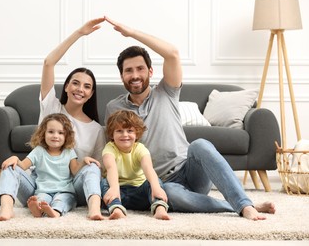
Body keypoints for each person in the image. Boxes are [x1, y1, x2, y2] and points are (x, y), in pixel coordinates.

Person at [104, 16, 276, 221]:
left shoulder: (166, 92)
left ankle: (244, 205)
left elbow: (173, 54)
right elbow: (112, 151)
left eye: (140, 68)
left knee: (201, 144)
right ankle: (240, 206)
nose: (135, 75)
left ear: (150, 71)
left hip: (189, 170)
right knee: (171, 194)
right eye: (128, 71)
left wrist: (132, 32)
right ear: (121, 76)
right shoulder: (114, 107)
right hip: (159, 183)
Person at [0, 17, 107, 221]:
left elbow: (98, 170)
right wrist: (79, 33)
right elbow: (49, 62)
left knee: (92, 168)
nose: (80, 89)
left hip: (72, 190)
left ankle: (94, 210)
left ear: (91, 94)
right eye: (75, 83)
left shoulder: (96, 129)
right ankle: (6, 209)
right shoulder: (52, 107)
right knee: (10, 166)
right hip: (39, 187)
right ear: (66, 86)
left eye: (86, 86)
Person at [1, 113, 94, 218]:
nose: (55, 136)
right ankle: (38, 211)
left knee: (63, 200)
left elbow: (75, 170)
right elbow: (23, 166)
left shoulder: (68, 151)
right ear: (43, 134)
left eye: (60, 133)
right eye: (50, 132)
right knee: (40, 200)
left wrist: (84, 161)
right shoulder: (39, 151)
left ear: (66, 135)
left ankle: (55, 212)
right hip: (43, 190)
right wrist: (16, 159)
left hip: (65, 191)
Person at [101, 110, 170, 220]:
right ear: (112, 134)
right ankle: (116, 208)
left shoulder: (140, 148)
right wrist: (114, 188)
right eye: (119, 131)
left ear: (136, 133)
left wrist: (156, 187)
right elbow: (111, 168)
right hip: (118, 193)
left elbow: (148, 168)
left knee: (155, 181)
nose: (125, 135)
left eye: (130, 131)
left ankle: (159, 208)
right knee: (104, 182)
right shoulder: (109, 148)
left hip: (139, 193)